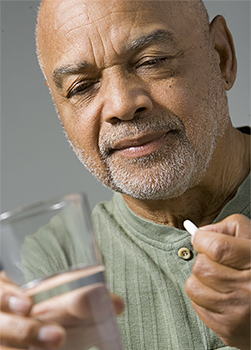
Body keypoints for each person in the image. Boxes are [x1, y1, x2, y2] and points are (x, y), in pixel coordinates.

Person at [0, 0, 250, 349]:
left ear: (222, 56)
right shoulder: (44, 268)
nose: (121, 104)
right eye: (82, 86)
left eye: (152, 61)